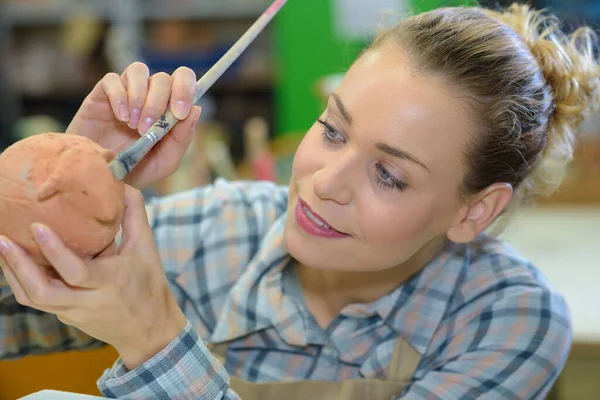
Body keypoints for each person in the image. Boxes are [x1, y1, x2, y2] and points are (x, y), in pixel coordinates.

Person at [1, 3, 598, 399]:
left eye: (389, 174)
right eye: (333, 131)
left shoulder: (504, 322)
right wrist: (51, 205)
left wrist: (157, 340)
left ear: (474, 211)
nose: (324, 182)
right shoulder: (219, 234)